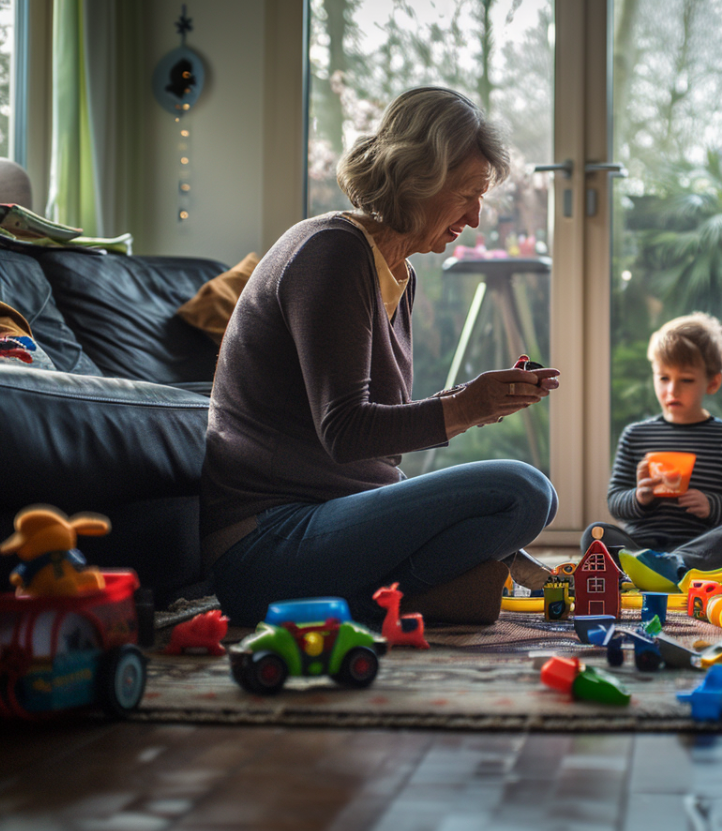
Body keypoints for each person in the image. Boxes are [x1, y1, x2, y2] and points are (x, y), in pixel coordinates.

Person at [201, 87, 559, 628]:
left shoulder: (397, 273)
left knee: (523, 500)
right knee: (525, 490)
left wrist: (472, 404)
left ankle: (405, 598)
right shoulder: (331, 252)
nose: (477, 218)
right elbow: (345, 433)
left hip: (324, 525)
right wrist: (462, 408)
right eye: (467, 194)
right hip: (266, 542)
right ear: (416, 179)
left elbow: (377, 448)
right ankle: (400, 601)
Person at [584, 313, 722, 584]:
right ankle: (659, 569)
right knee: (595, 534)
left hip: (699, 545)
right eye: (663, 378)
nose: (672, 390)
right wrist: (640, 497)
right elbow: (615, 501)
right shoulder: (636, 435)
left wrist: (711, 506)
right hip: (640, 545)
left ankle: (670, 566)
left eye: (686, 380)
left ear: (713, 382)